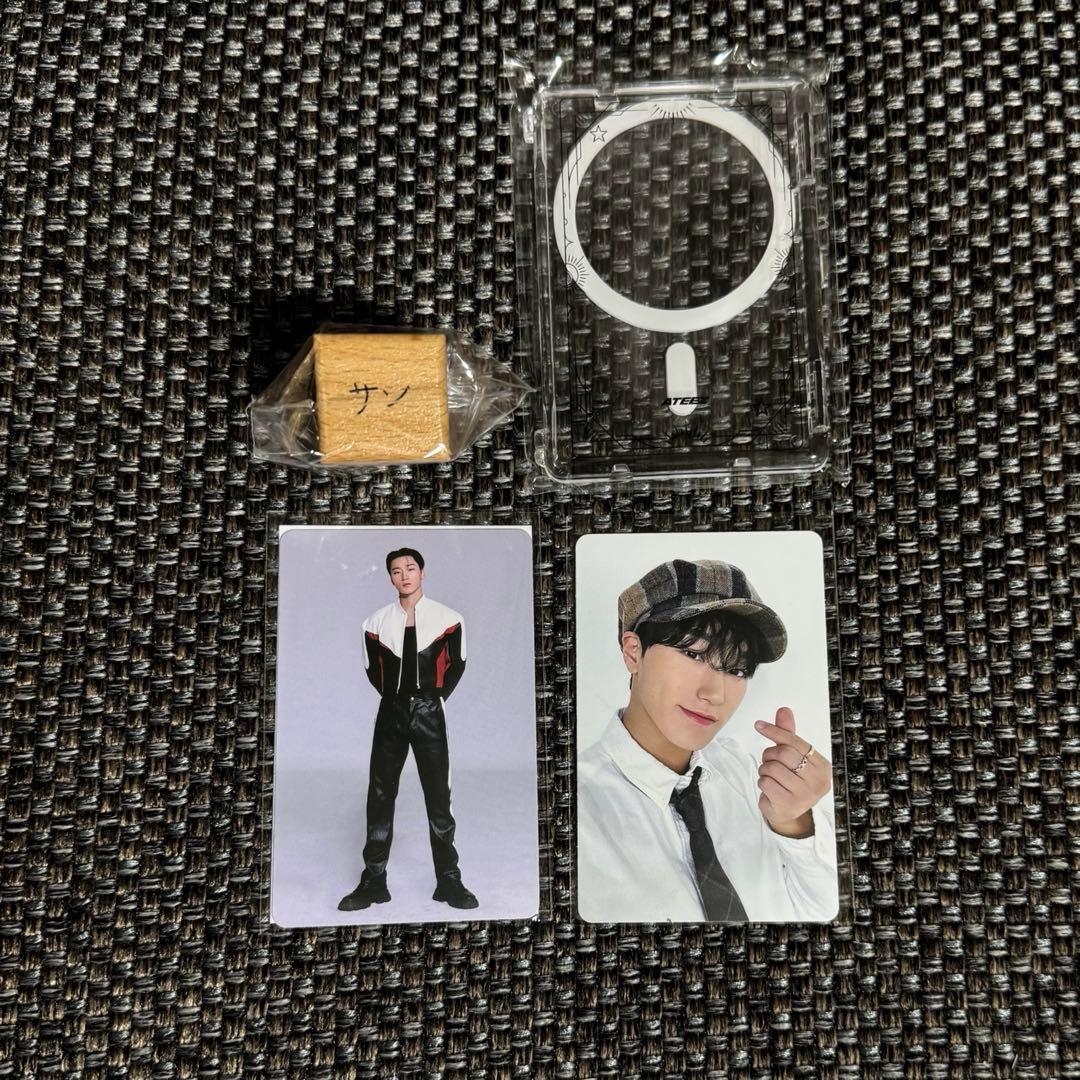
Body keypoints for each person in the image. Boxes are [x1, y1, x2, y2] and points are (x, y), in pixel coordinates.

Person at [577, 558, 839, 923]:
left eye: (736, 670)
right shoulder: (578, 812)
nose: (714, 694)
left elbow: (824, 912)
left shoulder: (752, 775)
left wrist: (794, 824)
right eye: (693, 654)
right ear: (634, 652)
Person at [338, 548, 479, 911]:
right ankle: (373, 881)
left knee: (439, 796)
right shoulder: (374, 623)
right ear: (390, 578)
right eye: (397, 571)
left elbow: (458, 665)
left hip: (430, 712)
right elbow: (373, 671)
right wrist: (397, 699)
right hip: (391, 711)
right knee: (380, 794)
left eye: (410, 568)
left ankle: (449, 880)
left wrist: (432, 699)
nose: (404, 576)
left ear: (422, 573)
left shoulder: (449, 619)